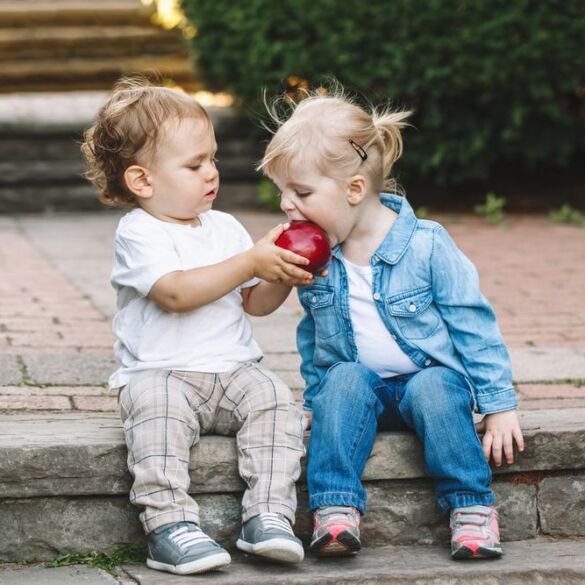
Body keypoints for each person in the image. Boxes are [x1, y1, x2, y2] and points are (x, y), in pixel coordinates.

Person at [258, 88, 525, 560]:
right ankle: (335, 510)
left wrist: (499, 404)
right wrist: (317, 400)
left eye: (300, 193)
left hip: (430, 386)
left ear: (355, 189)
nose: (286, 205)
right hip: (365, 392)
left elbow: (473, 325)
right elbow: (315, 336)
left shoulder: (427, 245)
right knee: (342, 379)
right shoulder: (321, 257)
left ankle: (471, 507)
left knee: (437, 387)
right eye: (283, 192)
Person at [80, 78, 314, 575]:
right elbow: (176, 293)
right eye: (194, 165)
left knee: (276, 401)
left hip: (233, 371)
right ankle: (169, 526)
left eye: (212, 159)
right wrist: (251, 261)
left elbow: (254, 304)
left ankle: (268, 515)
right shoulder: (140, 232)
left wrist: (282, 272)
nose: (211, 173)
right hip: (161, 374)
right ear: (142, 181)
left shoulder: (224, 226)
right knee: (155, 415)